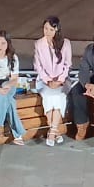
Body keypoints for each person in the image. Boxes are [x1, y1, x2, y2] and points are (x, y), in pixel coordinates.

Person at [0, 30, 26, 145]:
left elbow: (15, 78)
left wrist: (7, 86)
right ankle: (17, 134)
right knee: (9, 101)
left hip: (8, 84)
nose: (0, 46)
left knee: (5, 90)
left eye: (3, 43)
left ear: (8, 44)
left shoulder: (13, 58)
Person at [34, 16, 72, 146]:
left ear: (57, 30)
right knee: (49, 97)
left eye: (51, 29)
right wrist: (47, 80)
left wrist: (59, 80)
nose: (48, 32)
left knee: (59, 96)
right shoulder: (39, 43)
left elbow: (68, 65)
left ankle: (52, 132)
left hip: (62, 80)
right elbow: (37, 66)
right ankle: (55, 131)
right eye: (45, 28)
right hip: (44, 81)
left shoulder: (65, 43)